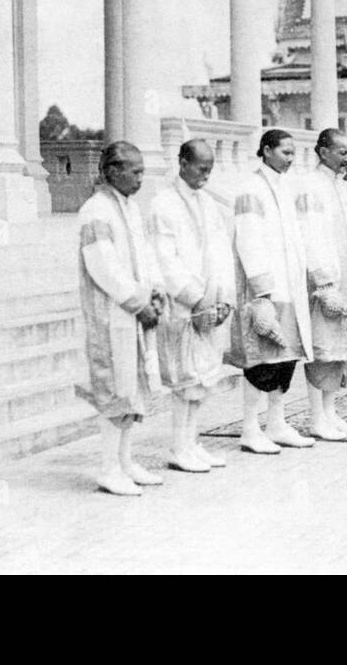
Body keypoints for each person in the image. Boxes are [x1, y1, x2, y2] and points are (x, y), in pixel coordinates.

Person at [226, 129, 341, 454]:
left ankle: (276, 423)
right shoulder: (251, 188)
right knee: (261, 361)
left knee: (286, 357)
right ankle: (250, 428)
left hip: (291, 287)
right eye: (285, 153)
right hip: (266, 288)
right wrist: (262, 289)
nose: (291, 159)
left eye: (293, 154)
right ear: (266, 150)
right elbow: (248, 239)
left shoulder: (285, 186)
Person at [77, 142, 166, 496]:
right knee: (116, 389)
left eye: (143, 170)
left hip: (138, 311)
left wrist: (156, 291)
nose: (141, 177)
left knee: (134, 389)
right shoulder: (96, 210)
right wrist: (136, 301)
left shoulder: (129, 208)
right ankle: (108, 468)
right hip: (112, 313)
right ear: (112, 171)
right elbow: (103, 265)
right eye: (135, 171)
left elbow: (145, 254)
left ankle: (126, 460)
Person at [149, 138, 235, 474]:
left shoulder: (207, 203)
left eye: (210, 170)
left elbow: (221, 251)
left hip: (211, 305)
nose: (206, 176)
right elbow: (165, 259)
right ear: (182, 162)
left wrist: (224, 296)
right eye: (201, 168)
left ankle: (192, 442)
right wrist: (195, 297)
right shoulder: (162, 204)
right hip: (184, 307)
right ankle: (178, 446)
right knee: (185, 382)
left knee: (204, 379)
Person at [301, 128, 347, 440]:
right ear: (323, 151)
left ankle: (330, 412)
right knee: (322, 348)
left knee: (341, 348)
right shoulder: (311, 186)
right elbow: (311, 236)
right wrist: (324, 283)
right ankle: (316, 418)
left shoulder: (339, 187)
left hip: (346, 277)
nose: (346, 158)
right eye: (341, 152)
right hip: (324, 282)